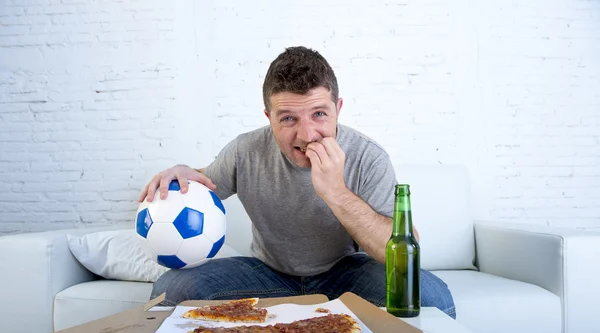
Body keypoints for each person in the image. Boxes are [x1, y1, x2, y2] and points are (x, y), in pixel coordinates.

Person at [138, 46, 456, 319]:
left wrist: (336, 192)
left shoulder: (368, 157)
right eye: (288, 118)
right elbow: (201, 186)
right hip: (266, 274)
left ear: (338, 109)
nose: (306, 135)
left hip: (344, 273)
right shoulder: (244, 150)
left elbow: (398, 250)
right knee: (170, 290)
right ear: (269, 117)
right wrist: (180, 171)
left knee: (430, 298)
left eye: (319, 114)